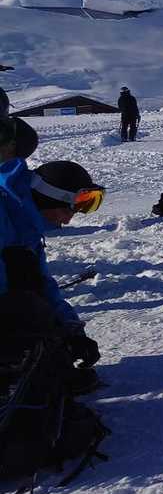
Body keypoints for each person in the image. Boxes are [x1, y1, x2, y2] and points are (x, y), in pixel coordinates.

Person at [0, 158, 104, 379]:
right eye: (68, 211)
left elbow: (43, 286)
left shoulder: (25, 225)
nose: (67, 221)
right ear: (49, 199)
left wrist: (71, 331)